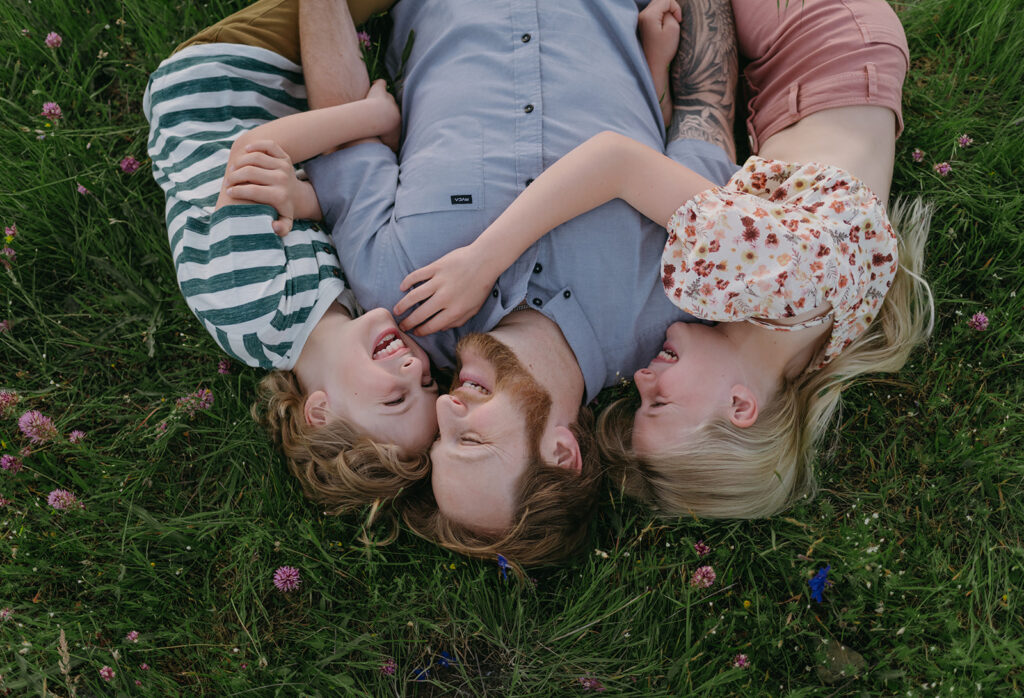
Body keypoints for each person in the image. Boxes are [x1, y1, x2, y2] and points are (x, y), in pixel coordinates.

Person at [399, 0, 933, 522]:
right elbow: (615, 160)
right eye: (660, 405)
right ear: (741, 408)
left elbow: (673, 179)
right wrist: (482, 262)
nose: (642, 383)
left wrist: (654, 72)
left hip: (831, 83)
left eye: (640, 402)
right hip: (820, 40)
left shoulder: (800, 352)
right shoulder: (773, 281)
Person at [301, 0, 739, 565]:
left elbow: (342, 138)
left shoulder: (400, 298)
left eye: (439, 439)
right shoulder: (676, 299)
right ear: (561, 451)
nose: (443, 412)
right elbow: (706, 108)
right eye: (473, 440)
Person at [143, 0, 439, 515]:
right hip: (289, 110)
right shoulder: (343, 305)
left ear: (319, 411)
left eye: (396, 397)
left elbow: (251, 150)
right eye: (429, 382)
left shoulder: (254, 308)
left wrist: (373, 117)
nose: (414, 367)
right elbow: (333, 202)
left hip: (218, 87)